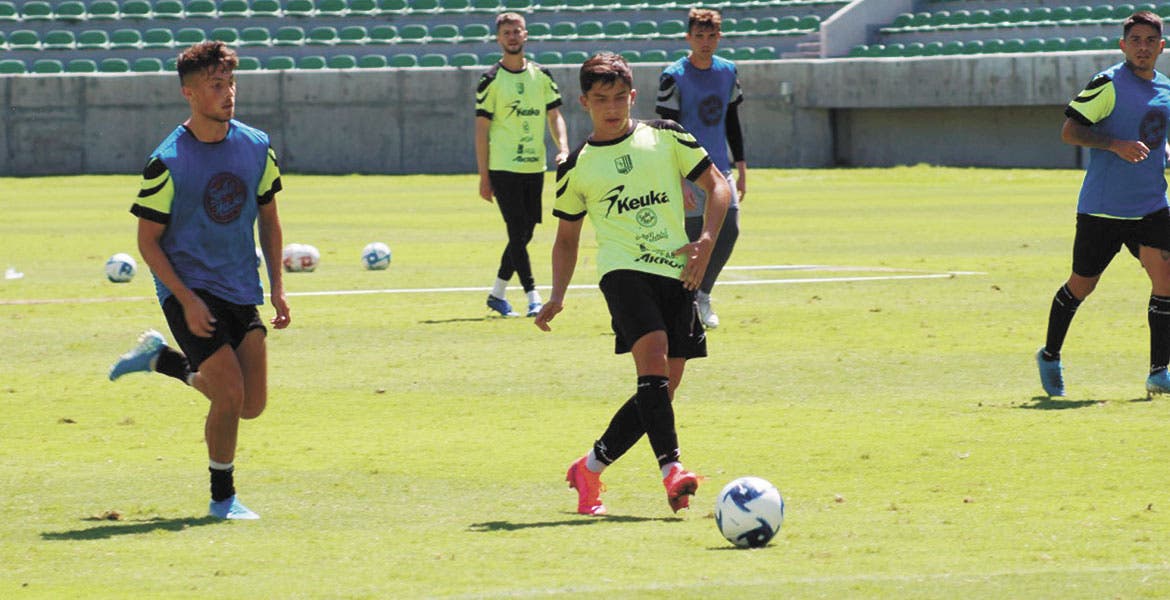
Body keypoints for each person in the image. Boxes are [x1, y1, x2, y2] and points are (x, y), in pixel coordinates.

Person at [535, 53, 730, 515]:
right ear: (584, 102)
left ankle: (589, 468)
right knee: (655, 357)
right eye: (601, 99)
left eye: (620, 97)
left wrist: (705, 241)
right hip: (622, 272)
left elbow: (718, 186)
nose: (612, 107)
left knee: (663, 386)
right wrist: (557, 294)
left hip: (677, 272)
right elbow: (567, 239)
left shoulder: (666, 135)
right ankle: (672, 471)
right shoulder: (576, 166)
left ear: (633, 96)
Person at [108, 41, 290, 520]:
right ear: (189, 93)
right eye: (215, 85)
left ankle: (163, 361)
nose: (228, 93)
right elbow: (148, 242)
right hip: (187, 289)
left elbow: (270, 220)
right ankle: (222, 499)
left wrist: (278, 287)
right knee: (228, 393)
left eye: (231, 83)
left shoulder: (257, 146)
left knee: (251, 404)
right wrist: (185, 298)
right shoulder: (167, 161)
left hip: (240, 285)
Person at [1037, 10, 1170, 398]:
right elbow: (1070, 131)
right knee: (1082, 285)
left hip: (1152, 205)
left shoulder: (1166, 88)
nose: (1143, 47)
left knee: (1165, 279)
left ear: (1161, 47)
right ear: (1123, 45)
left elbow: (1159, 136)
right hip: (1103, 209)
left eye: (1150, 41)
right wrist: (1115, 144)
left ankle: (1159, 372)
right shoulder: (1106, 83)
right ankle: (1050, 355)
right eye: (1136, 40)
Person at [655, 7, 746, 329]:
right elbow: (666, 131)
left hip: (720, 169)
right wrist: (677, 177)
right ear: (688, 37)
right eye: (699, 36)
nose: (705, 42)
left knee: (729, 229)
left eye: (711, 36)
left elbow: (732, 121)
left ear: (719, 37)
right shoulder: (673, 75)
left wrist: (742, 167)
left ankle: (702, 294)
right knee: (693, 238)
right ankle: (683, 303)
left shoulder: (728, 71)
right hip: (687, 169)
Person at [475, 11, 570, 317]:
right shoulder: (490, 80)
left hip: (534, 167)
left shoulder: (542, 76)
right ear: (498, 38)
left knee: (525, 233)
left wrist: (563, 148)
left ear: (525, 35)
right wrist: (484, 177)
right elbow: (481, 131)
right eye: (507, 32)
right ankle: (533, 296)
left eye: (517, 31)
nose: (512, 37)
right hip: (503, 168)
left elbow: (555, 116)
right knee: (517, 232)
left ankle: (497, 293)